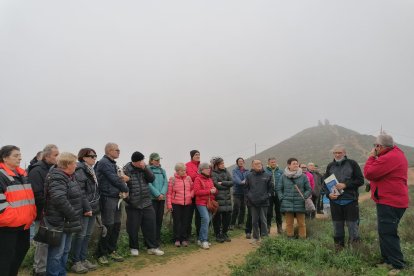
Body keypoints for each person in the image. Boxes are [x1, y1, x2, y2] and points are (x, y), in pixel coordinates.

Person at [364, 134, 409, 275]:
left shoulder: (390, 157)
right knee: (384, 232)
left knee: (388, 233)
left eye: (375, 146)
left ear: (380, 146)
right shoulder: (394, 154)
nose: (374, 148)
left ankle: (398, 264)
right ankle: (388, 260)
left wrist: (371, 157)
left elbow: (369, 173)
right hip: (389, 200)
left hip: (390, 201)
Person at [44, 152, 87, 276]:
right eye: (74, 163)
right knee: (57, 252)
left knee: (65, 251)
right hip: (59, 221)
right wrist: (73, 214)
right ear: (67, 164)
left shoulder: (69, 176)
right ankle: (53, 274)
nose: (76, 165)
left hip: (67, 220)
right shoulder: (57, 176)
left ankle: (61, 273)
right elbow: (59, 199)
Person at [0, 145, 36, 276]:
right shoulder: (1, 176)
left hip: (23, 226)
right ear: (4, 158)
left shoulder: (22, 174)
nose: (20, 158)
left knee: (18, 256)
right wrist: (17, 218)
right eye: (15, 155)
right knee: (5, 260)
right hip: (7, 228)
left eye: (20, 155)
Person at [123, 151, 164, 257]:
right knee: (133, 227)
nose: (142, 162)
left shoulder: (144, 168)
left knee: (150, 226)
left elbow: (151, 179)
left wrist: (145, 168)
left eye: (143, 160)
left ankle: (152, 247)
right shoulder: (126, 170)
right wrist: (129, 200)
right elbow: (122, 186)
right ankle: (134, 247)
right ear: (135, 162)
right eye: (140, 160)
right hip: (133, 204)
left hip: (146, 202)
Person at [323, 145, 364, 251]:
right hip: (335, 202)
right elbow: (325, 184)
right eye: (335, 153)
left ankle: (355, 250)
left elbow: (360, 180)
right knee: (337, 228)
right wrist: (329, 195)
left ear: (344, 153)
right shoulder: (330, 166)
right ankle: (339, 250)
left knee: (352, 227)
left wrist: (345, 185)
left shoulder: (352, 164)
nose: (337, 155)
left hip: (350, 200)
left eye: (339, 152)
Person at [95, 143, 129, 264]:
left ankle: (111, 250)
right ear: (109, 151)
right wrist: (126, 188)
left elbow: (118, 178)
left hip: (116, 197)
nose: (119, 151)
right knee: (108, 226)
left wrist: (124, 181)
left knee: (116, 225)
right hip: (107, 197)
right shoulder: (104, 162)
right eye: (117, 150)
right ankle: (101, 254)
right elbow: (114, 179)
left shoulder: (113, 164)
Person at [29, 144, 59, 276]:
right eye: (55, 155)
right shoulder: (36, 170)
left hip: (52, 212)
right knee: (42, 242)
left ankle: (46, 267)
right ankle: (39, 270)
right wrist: (49, 207)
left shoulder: (52, 169)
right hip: (42, 212)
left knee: (50, 241)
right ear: (47, 156)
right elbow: (37, 193)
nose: (58, 157)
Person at [70, 148, 100, 273]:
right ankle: (75, 262)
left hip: (93, 207)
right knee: (80, 235)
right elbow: (80, 191)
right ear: (83, 157)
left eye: (95, 156)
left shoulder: (91, 170)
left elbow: (94, 191)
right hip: (84, 208)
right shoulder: (80, 170)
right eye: (92, 156)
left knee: (87, 235)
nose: (94, 158)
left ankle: (83, 259)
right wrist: (87, 207)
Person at [277, 158, 311, 239]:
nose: (296, 165)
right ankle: (290, 238)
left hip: (300, 202)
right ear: (289, 165)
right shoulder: (283, 176)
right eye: (294, 163)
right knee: (289, 223)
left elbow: (309, 189)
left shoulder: (303, 176)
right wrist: (282, 198)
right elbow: (279, 189)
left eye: (297, 163)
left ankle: (302, 239)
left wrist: (304, 197)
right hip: (287, 202)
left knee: (301, 223)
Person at [245, 160, 272, 244]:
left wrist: (265, 197)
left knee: (263, 220)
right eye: (256, 164)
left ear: (262, 164)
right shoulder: (249, 176)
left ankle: (264, 238)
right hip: (252, 202)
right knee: (254, 221)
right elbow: (246, 188)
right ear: (252, 166)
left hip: (264, 202)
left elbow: (271, 189)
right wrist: (250, 198)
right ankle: (255, 237)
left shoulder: (268, 175)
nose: (258, 165)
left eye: (260, 163)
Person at [166, 163, 194, 247]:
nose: (184, 172)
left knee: (185, 222)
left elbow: (193, 189)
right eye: (182, 170)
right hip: (176, 204)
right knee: (177, 222)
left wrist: (190, 195)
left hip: (187, 204)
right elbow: (169, 194)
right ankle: (177, 239)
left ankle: (184, 239)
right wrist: (169, 205)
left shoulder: (188, 178)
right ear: (177, 171)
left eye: (185, 170)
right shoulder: (172, 179)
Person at [193, 163, 217, 249]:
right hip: (201, 203)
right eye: (207, 168)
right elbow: (196, 192)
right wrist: (210, 191)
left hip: (209, 203)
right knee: (206, 219)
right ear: (202, 169)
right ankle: (204, 240)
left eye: (209, 168)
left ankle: (200, 239)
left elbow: (213, 190)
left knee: (207, 220)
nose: (209, 170)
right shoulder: (197, 179)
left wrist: (215, 190)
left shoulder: (210, 179)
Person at [211, 157, 233, 243]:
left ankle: (224, 233)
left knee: (227, 217)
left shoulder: (226, 171)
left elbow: (232, 182)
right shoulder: (213, 173)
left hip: (227, 199)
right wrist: (226, 185)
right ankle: (217, 234)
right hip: (218, 198)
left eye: (223, 163)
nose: (223, 165)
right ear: (216, 165)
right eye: (221, 164)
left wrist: (223, 182)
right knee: (217, 218)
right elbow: (216, 185)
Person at [148, 153, 168, 244]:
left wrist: (162, 193)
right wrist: (157, 194)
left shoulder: (162, 170)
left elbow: (165, 183)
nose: (157, 162)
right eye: (156, 160)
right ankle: (150, 240)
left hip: (161, 198)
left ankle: (157, 239)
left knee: (159, 219)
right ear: (151, 160)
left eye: (158, 160)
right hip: (152, 199)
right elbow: (148, 184)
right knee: (152, 220)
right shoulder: (148, 169)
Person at [264, 157, 284, 234]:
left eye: (274, 162)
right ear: (268, 163)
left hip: (278, 194)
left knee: (278, 211)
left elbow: (283, 182)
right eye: (272, 162)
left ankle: (279, 227)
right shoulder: (265, 171)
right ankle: (268, 227)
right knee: (268, 212)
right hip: (269, 194)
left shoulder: (280, 171)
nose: (273, 163)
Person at [185, 150, 201, 240]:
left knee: (199, 215)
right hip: (191, 193)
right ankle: (188, 235)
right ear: (192, 156)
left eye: (199, 154)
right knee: (189, 215)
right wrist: (199, 175)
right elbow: (190, 177)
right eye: (196, 155)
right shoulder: (187, 165)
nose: (198, 156)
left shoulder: (201, 165)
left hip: (199, 193)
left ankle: (199, 234)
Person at [230, 157, 248, 230]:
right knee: (236, 207)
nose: (241, 162)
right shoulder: (234, 171)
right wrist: (242, 182)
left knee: (243, 208)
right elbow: (236, 180)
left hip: (245, 192)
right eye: (239, 161)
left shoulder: (247, 171)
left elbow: (249, 178)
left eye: (242, 161)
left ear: (243, 162)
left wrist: (245, 181)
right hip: (237, 192)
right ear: (237, 163)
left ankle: (240, 223)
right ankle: (232, 224)